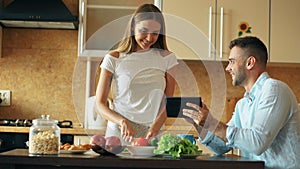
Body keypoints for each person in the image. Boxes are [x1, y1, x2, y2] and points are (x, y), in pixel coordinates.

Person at [183, 36, 300, 169]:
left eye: (232, 61)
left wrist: (211, 123)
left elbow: (257, 143)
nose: (227, 68)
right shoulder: (243, 105)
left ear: (250, 62)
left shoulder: (274, 89)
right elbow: (222, 146)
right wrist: (200, 124)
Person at [95, 4, 178, 144]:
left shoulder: (167, 59)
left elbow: (167, 102)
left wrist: (156, 126)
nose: (149, 38)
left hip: (153, 133)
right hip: (119, 133)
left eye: (155, 33)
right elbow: (100, 104)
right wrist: (122, 121)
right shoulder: (114, 58)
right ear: (133, 27)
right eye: (144, 30)